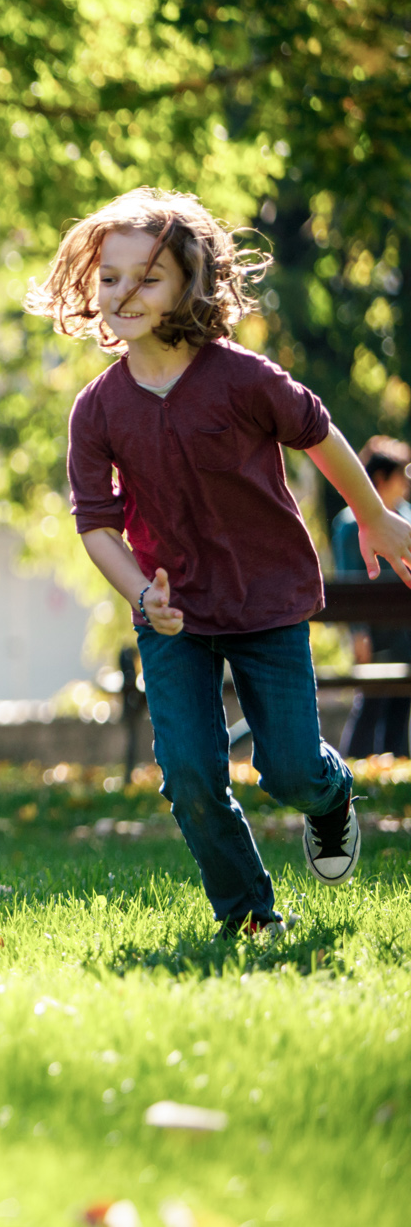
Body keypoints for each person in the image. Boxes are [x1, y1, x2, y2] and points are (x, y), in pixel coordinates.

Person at [31, 187, 404, 937]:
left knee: (291, 769)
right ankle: (249, 915)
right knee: (193, 777)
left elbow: (319, 432)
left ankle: (331, 799)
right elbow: (96, 523)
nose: (124, 294)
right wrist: (142, 597)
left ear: (190, 285)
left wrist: (376, 516)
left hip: (265, 601)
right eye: (110, 278)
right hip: (173, 614)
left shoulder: (243, 378)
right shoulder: (97, 409)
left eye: (148, 277)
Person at [330, 436, 411, 757]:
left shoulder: (406, 515)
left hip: (405, 630)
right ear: (380, 479)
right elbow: (349, 581)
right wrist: (358, 632)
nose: (405, 482)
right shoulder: (352, 526)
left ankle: (395, 762)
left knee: (402, 704)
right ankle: (357, 765)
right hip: (377, 634)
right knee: (372, 704)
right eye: (399, 476)